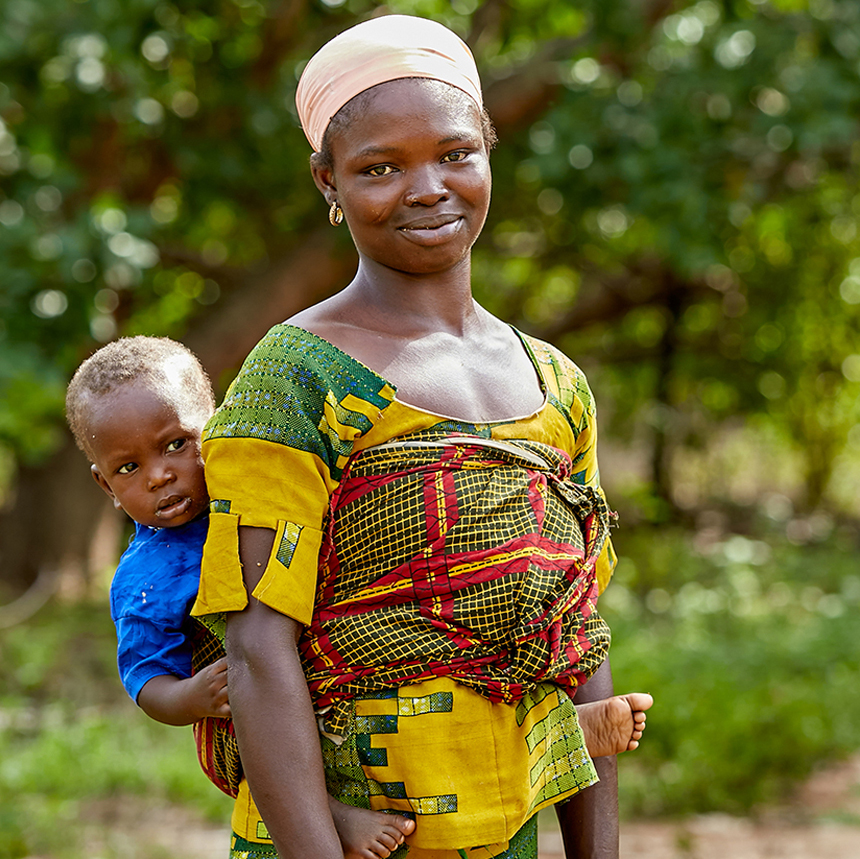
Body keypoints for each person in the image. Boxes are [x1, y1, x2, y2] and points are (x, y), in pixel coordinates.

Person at [191, 15, 652, 859]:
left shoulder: (555, 386)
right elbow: (258, 648)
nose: (427, 188)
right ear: (326, 182)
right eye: (379, 167)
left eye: (453, 153)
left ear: (488, 150)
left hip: (504, 830)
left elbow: (575, 636)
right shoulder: (299, 377)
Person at [66, 336, 415, 859]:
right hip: (238, 711)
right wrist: (191, 699)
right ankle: (328, 814)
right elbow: (144, 678)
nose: (160, 475)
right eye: (128, 469)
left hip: (331, 668)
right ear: (106, 487)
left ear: (218, 427)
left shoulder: (266, 490)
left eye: (176, 444)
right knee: (256, 713)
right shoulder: (147, 577)